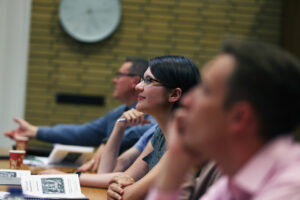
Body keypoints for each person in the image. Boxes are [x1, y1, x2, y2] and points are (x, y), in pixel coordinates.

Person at [147, 39, 300, 200]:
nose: (186, 100)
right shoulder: (233, 182)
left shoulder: (291, 186)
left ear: (239, 117)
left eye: (205, 90)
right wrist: (176, 162)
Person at [4, 57, 155, 172]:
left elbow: (147, 131)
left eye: (119, 75)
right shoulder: (119, 111)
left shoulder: (153, 114)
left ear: (134, 81)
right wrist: (34, 131)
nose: (113, 80)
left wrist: (106, 141)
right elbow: (82, 133)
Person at [106, 55, 200, 200]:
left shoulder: (185, 142)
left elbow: (128, 195)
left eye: (148, 80)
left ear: (174, 94)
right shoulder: (160, 134)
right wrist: (117, 187)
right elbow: (124, 179)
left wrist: (120, 189)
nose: (138, 86)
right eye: (143, 79)